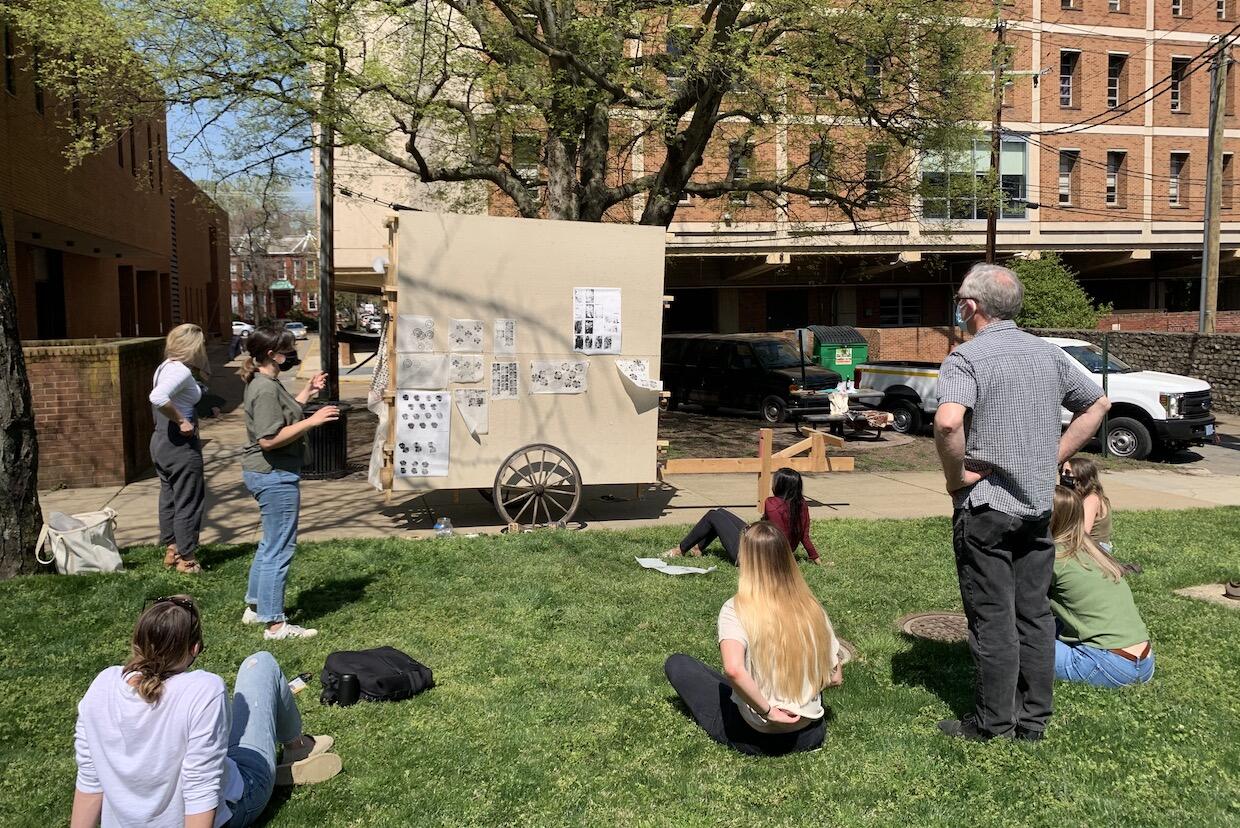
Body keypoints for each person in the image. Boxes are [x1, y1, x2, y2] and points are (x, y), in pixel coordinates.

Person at [933, 263, 1111, 742]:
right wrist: (1053, 456)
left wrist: (956, 478)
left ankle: (993, 723)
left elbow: (948, 422)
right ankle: (1033, 721)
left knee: (992, 617)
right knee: (1034, 614)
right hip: (1036, 508)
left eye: (960, 301)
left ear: (971, 306)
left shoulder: (965, 358)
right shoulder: (1048, 354)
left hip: (986, 507)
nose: (958, 308)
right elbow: (1098, 404)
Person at [70, 596, 342, 828]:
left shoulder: (102, 684)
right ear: (195, 648)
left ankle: (293, 752)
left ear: (138, 640)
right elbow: (201, 788)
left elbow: (90, 779)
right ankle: (296, 747)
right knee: (260, 663)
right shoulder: (203, 689)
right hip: (226, 807)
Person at [664, 522, 843, 756]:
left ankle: (759, 709)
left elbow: (734, 669)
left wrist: (769, 711)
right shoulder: (811, 607)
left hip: (755, 734)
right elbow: (835, 677)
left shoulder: (736, 608)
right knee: (729, 681)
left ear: (746, 559)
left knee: (679, 663)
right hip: (809, 732)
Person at [239, 327, 338, 641]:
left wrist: (307, 392)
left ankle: (255, 607)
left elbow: (280, 416)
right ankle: (275, 625)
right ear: (271, 354)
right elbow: (269, 439)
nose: (292, 354)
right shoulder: (265, 388)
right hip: (274, 475)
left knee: (270, 543)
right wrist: (312, 420)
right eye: (287, 350)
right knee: (280, 548)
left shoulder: (265, 381)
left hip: (269, 473)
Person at [1049, 486, 1154, 687]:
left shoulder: (1053, 556)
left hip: (1107, 665)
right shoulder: (1093, 552)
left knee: (1010, 638)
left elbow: (1020, 606)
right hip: (1145, 662)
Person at [664, 467, 821, 565]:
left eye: (774, 481)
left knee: (714, 515)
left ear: (780, 486)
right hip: (770, 553)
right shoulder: (801, 505)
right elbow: (804, 537)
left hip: (750, 557)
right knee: (720, 512)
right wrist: (815, 558)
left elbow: (767, 531)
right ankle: (697, 548)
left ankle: (680, 550)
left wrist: (748, 531)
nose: (772, 484)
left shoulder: (771, 503)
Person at [150, 324, 210, 574]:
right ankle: (187, 559)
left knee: (170, 497)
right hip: (180, 445)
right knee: (188, 499)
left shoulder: (164, 367)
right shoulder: (180, 371)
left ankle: (172, 548)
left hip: (160, 442)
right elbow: (158, 397)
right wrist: (182, 420)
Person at [1062, 456, 1141, 575]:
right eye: (1062, 472)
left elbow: (1083, 533)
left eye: (1067, 472)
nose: (1063, 475)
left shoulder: (1091, 499)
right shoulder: (1082, 496)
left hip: (1094, 549)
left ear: (1081, 475)